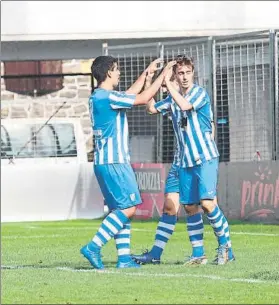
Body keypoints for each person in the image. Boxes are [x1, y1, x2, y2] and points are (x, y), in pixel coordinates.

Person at [133, 56, 234, 265]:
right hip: (185, 161)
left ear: (193, 73)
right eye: (180, 73)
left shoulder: (198, 93)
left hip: (205, 157)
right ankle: (198, 254)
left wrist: (167, 82)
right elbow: (151, 108)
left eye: (188, 72)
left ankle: (226, 246)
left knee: (207, 204)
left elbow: (186, 106)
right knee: (189, 207)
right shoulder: (172, 99)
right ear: (176, 75)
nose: (185, 77)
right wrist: (149, 80)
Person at [80, 55, 176, 269]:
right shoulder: (107, 97)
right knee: (130, 208)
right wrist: (163, 76)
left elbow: (130, 95)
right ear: (109, 73)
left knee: (120, 210)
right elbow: (141, 99)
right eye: (117, 69)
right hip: (115, 162)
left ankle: (124, 259)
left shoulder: (100, 97)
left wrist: (147, 73)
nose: (120, 72)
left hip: (105, 162)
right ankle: (93, 247)